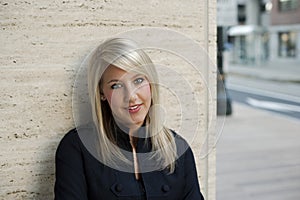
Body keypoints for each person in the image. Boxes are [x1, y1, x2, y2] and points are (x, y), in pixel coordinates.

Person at [54, 38, 205, 200]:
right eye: (116, 85)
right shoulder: (76, 148)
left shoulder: (177, 149)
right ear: (101, 93)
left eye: (138, 80)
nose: (131, 96)